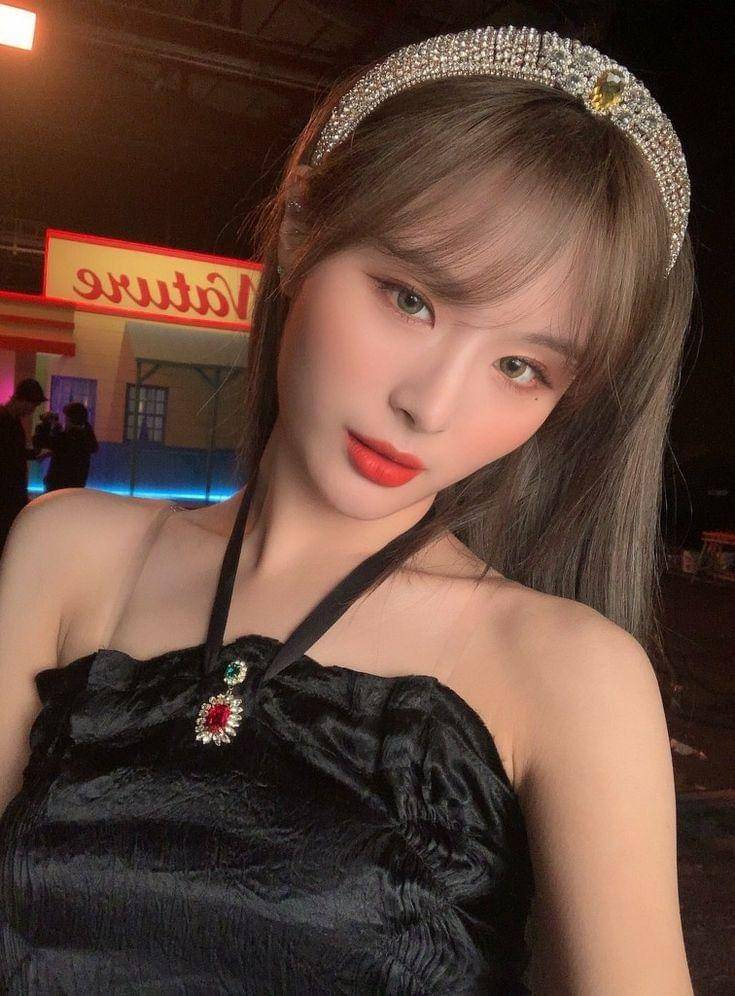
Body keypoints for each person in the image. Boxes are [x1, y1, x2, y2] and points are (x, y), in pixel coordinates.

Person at [0, 24, 695, 994]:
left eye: (519, 366)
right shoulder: (69, 554)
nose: (432, 406)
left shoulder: (566, 671)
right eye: (410, 299)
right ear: (298, 233)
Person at [0, 378, 50, 557]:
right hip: (6, 492)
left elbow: (13, 453)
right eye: (32, 405)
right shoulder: (6, 421)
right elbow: (10, 455)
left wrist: (32, 454)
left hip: (11, 492)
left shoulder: (12, 420)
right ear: (23, 400)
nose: (32, 411)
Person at [37, 401, 99, 492]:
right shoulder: (87, 437)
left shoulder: (66, 437)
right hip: (77, 483)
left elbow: (43, 442)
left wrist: (46, 426)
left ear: (69, 419)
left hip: (58, 484)